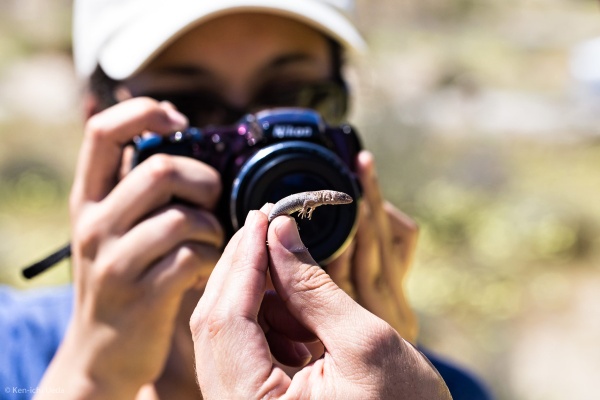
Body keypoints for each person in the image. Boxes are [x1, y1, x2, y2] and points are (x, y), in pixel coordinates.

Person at [0, 1, 492, 399]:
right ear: (103, 129)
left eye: (294, 96)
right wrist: (92, 377)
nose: (256, 149)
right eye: (191, 109)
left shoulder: (436, 390)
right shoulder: (12, 353)